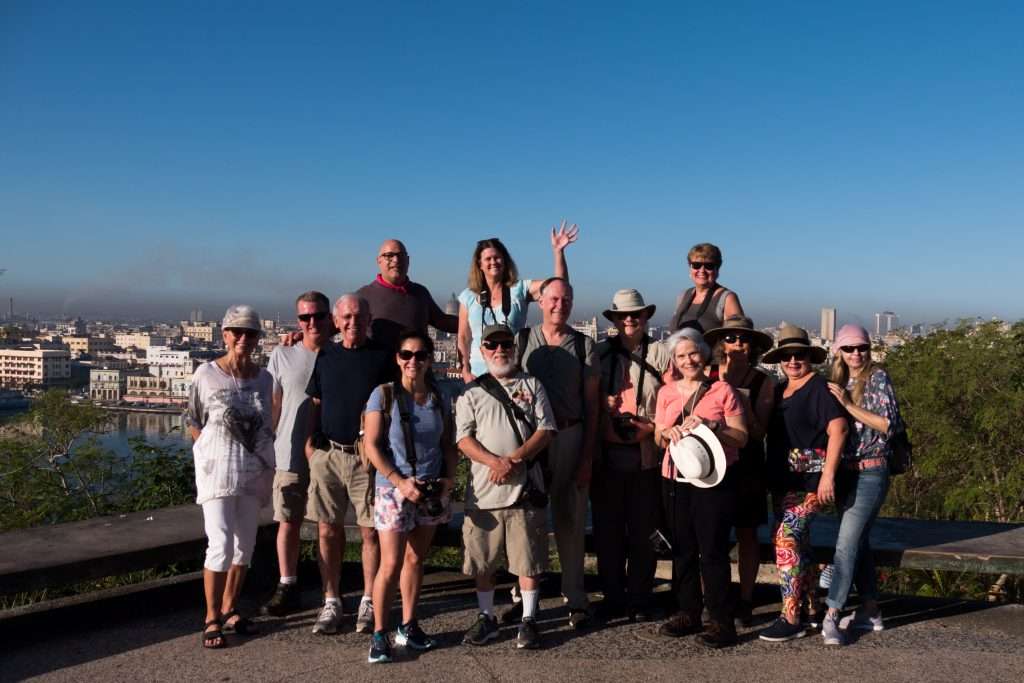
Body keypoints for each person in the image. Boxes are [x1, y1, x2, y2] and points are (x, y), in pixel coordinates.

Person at [456, 324, 557, 650]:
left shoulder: (532, 384)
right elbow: (463, 439)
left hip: (524, 489)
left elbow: (546, 430)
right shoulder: (472, 393)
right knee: (483, 561)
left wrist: (512, 460)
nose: (500, 350)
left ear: (514, 349)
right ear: (483, 351)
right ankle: (487, 617)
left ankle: (528, 619)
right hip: (485, 491)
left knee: (528, 559)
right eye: (492, 345)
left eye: (505, 345)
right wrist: (493, 463)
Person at [362, 330, 458, 663]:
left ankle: (408, 624)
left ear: (430, 359)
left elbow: (448, 445)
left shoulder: (439, 397)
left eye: (419, 355)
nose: (412, 361)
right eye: (406, 355)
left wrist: (448, 481)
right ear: (397, 359)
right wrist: (399, 481)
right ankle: (379, 632)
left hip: (430, 487)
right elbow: (371, 445)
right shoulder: (383, 395)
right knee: (390, 563)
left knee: (416, 559)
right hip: (394, 489)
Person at [653, 327, 748, 647]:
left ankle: (721, 620)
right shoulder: (665, 393)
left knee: (712, 551)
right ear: (674, 361)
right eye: (681, 356)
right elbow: (657, 436)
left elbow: (742, 437)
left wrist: (713, 426)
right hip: (675, 477)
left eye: (693, 353)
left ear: (704, 354)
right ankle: (688, 611)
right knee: (682, 549)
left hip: (714, 480)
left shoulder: (722, 391)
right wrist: (668, 433)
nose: (688, 360)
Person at [304, 294, 393, 635]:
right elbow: (316, 400)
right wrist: (310, 443)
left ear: (369, 318)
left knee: (370, 530)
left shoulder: (383, 358)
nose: (352, 322)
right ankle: (332, 600)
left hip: (365, 457)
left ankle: (369, 599)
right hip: (328, 454)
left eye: (358, 315)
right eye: (346, 316)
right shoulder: (326, 355)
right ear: (336, 321)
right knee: (327, 528)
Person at [188, 305, 275, 649]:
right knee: (220, 543)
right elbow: (194, 423)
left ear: (257, 338)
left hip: (254, 474)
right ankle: (211, 616)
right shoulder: (205, 374)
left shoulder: (265, 379)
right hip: (218, 474)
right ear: (224, 334)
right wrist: (213, 454)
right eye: (236, 332)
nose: (243, 338)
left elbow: (268, 423)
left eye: (250, 333)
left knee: (245, 547)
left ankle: (230, 607)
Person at [515, 277, 599, 629]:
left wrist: (587, 458)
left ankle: (575, 598)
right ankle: (522, 598)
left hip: (569, 435)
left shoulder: (583, 346)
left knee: (571, 522)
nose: (558, 305)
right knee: (525, 522)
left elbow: (593, 406)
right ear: (540, 301)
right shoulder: (522, 340)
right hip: (532, 441)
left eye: (565, 299)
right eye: (552, 298)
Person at [759, 323, 848, 643]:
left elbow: (838, 430)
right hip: (783, 480)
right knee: (801, 544)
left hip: (809, 482)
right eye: (787, 356)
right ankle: (811, 607)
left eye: (799, 355)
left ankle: (791, 615)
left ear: (809, 356)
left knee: (786, 540)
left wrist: (828, 476)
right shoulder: (780, 388)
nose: (793, 360)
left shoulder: (819, 388)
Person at [819, 324, 903, 645]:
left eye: (861, 348)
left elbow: (887, 424)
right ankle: (870, 609)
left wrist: (848, 405)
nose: (856, 354)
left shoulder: (877, 377)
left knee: (845, 544)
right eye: (849, 348)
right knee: (859, 542)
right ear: (838, 351)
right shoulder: (836, 381)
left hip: (871, 470)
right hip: (845, 472)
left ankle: (832, 615)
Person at [592, 289, 671, 621]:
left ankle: (639, 596)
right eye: (623, 315)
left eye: (635, 314)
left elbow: (673, 399)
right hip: (607, 451)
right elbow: (586, 399)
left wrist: (651, 427)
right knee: (607, 530)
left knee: (643, 530)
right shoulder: (599, 354)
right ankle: (613, 594)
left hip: (646, 452)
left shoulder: (662, 354)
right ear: (613, 319)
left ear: (645, 317)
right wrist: (603, 411)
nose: (630, 320)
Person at [261, 291, 333, 618]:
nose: (312, 322)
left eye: (318, 315)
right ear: (297, 321)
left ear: (329, 316)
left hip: (327, 453)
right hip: (287, 451)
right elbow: (272, 404)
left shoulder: (341, 352)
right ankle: (287, 583)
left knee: (325, 523)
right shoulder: (282, 354)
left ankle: (328, 591)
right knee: (287, 520)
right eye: (305, 317)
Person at [704, 315, 776, 626]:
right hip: (711, 463)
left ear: (753, 346)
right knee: (711, 535)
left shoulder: (763, 381)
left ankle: (746, 598)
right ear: (721, 343)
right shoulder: (706, 375)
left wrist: (734, 395)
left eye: (743, 339)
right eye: (730, 338)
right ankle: (713, 599)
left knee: (747, 533)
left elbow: (760, 431)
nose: (736, 344)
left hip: (747, 466)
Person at [457, 222, 579, 384]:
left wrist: (558, 252)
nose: (493, 262)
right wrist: (465, 370)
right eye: (488, 259)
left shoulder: (519, 289)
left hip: (514, 373)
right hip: (478, 376)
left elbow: (558, 286)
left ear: (505, 261)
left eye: (497, 257)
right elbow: (463, 337)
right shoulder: (469, 296)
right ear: (479, 264)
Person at [356, 239, 458, 352]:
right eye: (389, 256)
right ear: (378, 261)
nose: (396, 260)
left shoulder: (420, 293)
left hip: (416, 366)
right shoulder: (363, 296)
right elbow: (342, 325)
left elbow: (443, 322)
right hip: (379, 368)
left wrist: (475, 320)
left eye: (401, 255)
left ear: (408, 260)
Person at [668, 243, 745, 333]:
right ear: (690, 268)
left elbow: (737, 337)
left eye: (709, 266)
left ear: (717, 269)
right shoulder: (683, 295)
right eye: (697, 265)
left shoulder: (727, 298)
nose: (702, 270)